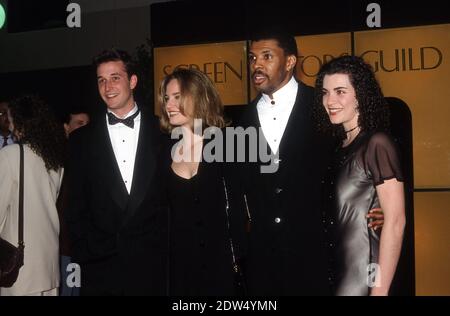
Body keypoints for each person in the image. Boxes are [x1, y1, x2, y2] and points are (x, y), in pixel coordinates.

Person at [232, 29, 384, 295]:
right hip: (262, 266)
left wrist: (376, 201)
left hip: (320, 257)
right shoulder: (241, 121)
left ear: (290, 62)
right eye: (253, 57)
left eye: (267, 56)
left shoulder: (325, 105)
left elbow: (359, 155)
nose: (257, 64)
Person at [65, 48, 167, 295]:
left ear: (132, 81)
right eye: (101, 80)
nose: (107, 86)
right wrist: (86, 250)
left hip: (153, 266)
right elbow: (74, 204)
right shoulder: (80, 140)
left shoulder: (164, 132)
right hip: (100, 268)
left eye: (115, 77)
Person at [314, 55, 406, 296]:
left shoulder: (377, 143)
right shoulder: (338, 147)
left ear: (360, 95)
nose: (330, 101)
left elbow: (395, 221)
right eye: (325, 92)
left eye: (340, 91)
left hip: (364, 277)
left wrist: (379, 289)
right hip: (335, 272)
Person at [158, 68, 236, 295]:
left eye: (177, 97)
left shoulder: (226, 144)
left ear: (198, 96)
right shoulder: (162, 151)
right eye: (166, 98)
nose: (169, 104)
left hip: (223, 270)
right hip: (180, 272)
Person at [0, 95, 66, 296]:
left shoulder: (10, 154)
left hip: (19, 264)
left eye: (11, 118)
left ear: (20, 122)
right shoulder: (55, 159)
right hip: (49, 263)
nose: (9, 124)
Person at [58, 109, 90, 296]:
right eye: (79, 123)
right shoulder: (59, 158)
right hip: (67, 245)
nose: (84, 129)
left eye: (87, 124)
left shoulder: (93, 156)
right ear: (66, 127)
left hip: (89, 246)